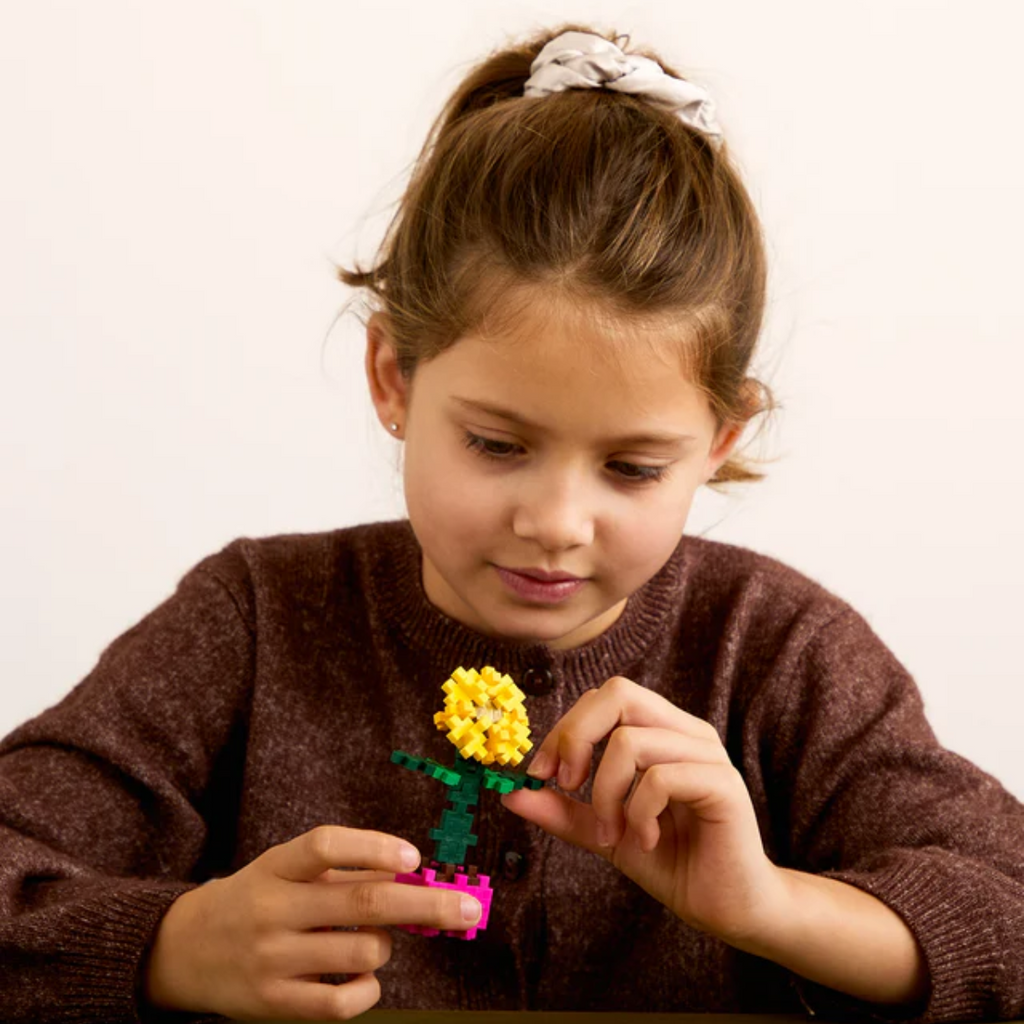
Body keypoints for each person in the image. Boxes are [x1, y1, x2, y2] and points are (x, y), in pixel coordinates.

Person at [1, 21, 1022, 1024]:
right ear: (393, 377)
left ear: (718, 440)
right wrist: (168, 947)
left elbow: (1005, 909)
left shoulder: (778, 651)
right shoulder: (255, 622)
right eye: (495, 445)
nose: (556, 523)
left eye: (632, 468)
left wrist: (774, 908)